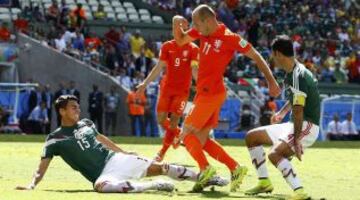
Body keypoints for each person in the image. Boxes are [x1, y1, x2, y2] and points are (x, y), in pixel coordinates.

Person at [16, 95, 228, 193]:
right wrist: (32, 185)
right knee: (100, 187)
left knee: (162, 167)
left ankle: (208, 178)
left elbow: (102, 139)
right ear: (61, 111)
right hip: (103, 174)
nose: (77, 110)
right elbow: (41, 168)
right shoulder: (54, 139)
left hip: (116, 160)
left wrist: (123, 151)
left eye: (78, 107)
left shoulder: (87, 123)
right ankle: (153, 186)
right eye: (73, 107)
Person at [172, 5, 280, 192]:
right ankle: (235, 168)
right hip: (207, 92)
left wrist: (271, 81)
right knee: (201, 139)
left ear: (208, 20)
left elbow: (256, 56)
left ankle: (205, 170)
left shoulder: (229, 38)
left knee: (187, 135)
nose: (194, 27)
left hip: (211, 93)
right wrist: (175, 22)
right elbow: (180, 40)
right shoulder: (201, 31)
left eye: (197, 23)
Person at [244, 35, 320, 200]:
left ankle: (300, 191)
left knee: (274, 154)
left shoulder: (297, 75)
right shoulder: (293, 72)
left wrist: (297, 139)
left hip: (307, 126)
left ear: (278, 53)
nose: (272, 58)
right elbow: (296, 100)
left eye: (272, 54)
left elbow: (299, 111)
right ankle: (264, 182)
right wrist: (282, 113)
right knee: (252, 137)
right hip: (294, 123)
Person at [137, 19, 199, 162]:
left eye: (180, 27)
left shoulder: (193, 49)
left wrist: (201, 85)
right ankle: (180, 135)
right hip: (166, 89)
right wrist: (144, 84)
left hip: (182, 91)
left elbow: (194, 69)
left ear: (186, 29)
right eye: (175, 27)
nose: (176, 29)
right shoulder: (167, 46)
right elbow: (158, 67)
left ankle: (162, 152)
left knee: (173, 122)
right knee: (160, 120)